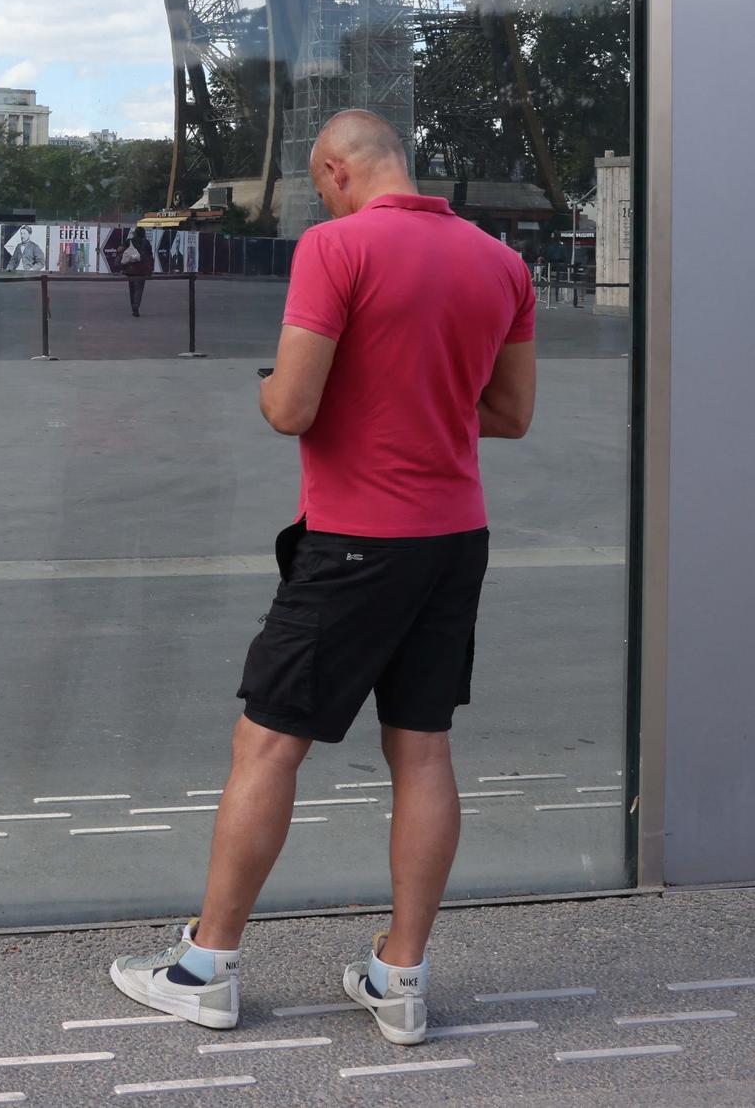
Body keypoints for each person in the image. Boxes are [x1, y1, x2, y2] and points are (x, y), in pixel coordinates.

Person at [108, 109, 535, 1046]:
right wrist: (421, 397)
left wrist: (274, 386)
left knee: (266, 745)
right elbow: (510, 415)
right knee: (422, 751)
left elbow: (291, 407)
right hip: (453, 537)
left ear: (337, 170)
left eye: (320, 182)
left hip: (353, 541)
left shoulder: (338, 249)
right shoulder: (498, 262)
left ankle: (205, 966)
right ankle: (401, 976)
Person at [121, 224, 155, 315]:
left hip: (131, 270)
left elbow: (121, 251)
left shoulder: (129, 241)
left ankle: (133, 307)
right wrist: (151, 269)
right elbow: (150, 257)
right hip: (142, 270)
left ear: (135, 233)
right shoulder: (146, 243)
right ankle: (136, 306)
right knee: (139, 289)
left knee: (132, 289)